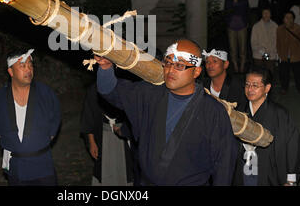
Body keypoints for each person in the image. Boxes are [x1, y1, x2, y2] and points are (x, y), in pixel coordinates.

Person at [94, 39, 238, 185]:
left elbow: (224, 165)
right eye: (168, 63)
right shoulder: (149, 94)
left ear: (196, 71)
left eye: (180, 65)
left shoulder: (213, 111)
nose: (170, 70)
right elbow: (111, 90)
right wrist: (105, 67)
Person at [0, 49, 61, 186]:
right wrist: (13, 141)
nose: (28, 70)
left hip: (43, 165)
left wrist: (37, 142)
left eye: (30, 65)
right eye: (22, 66)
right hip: (16, 167)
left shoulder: (45, 93)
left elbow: (55, 120)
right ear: (11, 72)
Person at [232, 67, 300, 186]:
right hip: (242, 170)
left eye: (255, 85)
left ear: (267, 88)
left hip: (269, 172)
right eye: (247, 85)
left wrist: (291, 180)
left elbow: (293, 146)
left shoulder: (280, 114)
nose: (250, 89)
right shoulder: (239, 111)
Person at [80, 82, 134, 186]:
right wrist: (92, 142)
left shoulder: (127, 85)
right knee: (104, 167)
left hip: (124, 135)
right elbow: (88, 116)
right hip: (103, 135)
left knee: (127, 168)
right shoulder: (94, 89)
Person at [276, 11, 300, 95]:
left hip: (296, 55)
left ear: (294, 19)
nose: (289, 20)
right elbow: (278, 43)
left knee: (299, 73)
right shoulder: (279, 29)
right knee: (283, 73)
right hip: (284, 55)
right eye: (287, 17)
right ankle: (284, 88)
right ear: (283, 19)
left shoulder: (298, 28)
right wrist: (279, 54)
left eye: (291, 18)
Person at [224, 0, 250, 73]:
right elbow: (227, 10)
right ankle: (235, 66)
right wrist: (234, 3)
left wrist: (237, 3)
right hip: (231, 27)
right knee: (233, 48)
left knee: (243, 48)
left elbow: (245, 9)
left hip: (242, 26)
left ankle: (242, 66)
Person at [250, 8, 279, 78]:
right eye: (264, 13)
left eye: (268, 13)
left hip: (271, 54)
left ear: (271, 14)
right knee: (259, 75)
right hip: (259, 55)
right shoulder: (256, 26)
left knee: (270, 74)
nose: (266, 15)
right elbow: (253, 43)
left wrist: (275, 53)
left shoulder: (275, 26)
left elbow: (277, 41)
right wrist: (264, 53)